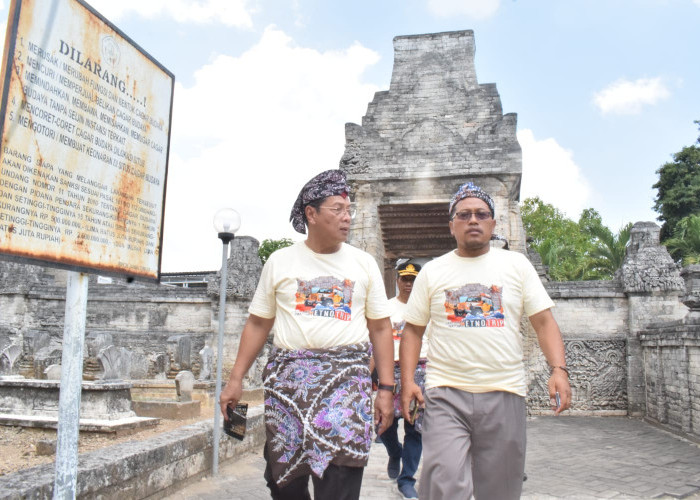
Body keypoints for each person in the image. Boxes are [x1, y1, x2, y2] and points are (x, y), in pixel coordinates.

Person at [219, 169, 395, 500]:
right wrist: (235, 379)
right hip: (287, 388)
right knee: (283, 482)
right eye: (337, 209)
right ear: (311, 214)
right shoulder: (280, 261)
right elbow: (259, 323)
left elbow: (381, 328)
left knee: (340, 480)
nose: (347, 218)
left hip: (344, 389)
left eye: (349, 210)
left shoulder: (363, 264)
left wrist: (386, 389)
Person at [399, 181, 572, 500]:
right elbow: (412, 330)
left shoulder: (517, 266)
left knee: (500, 490)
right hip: (445, 393)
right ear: (452, 226)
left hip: (505, 391)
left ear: (493, 223)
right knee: (444, 481)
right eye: (464, 215)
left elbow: (544, 321)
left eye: (481, 214)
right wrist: (408, 381)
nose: (473, 220)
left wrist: (558, 370)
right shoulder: (433, 272)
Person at [380, 261, 426, 500]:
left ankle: (406, 479)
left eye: (413, 280)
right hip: (391, 369)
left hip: (422, 369)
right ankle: (394, 451)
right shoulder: (386, 307)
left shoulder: (429, 307)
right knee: (384, 423)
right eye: (405, 279)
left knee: (415, 428)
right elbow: (375, 340)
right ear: (397, 280)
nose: (409, 284)